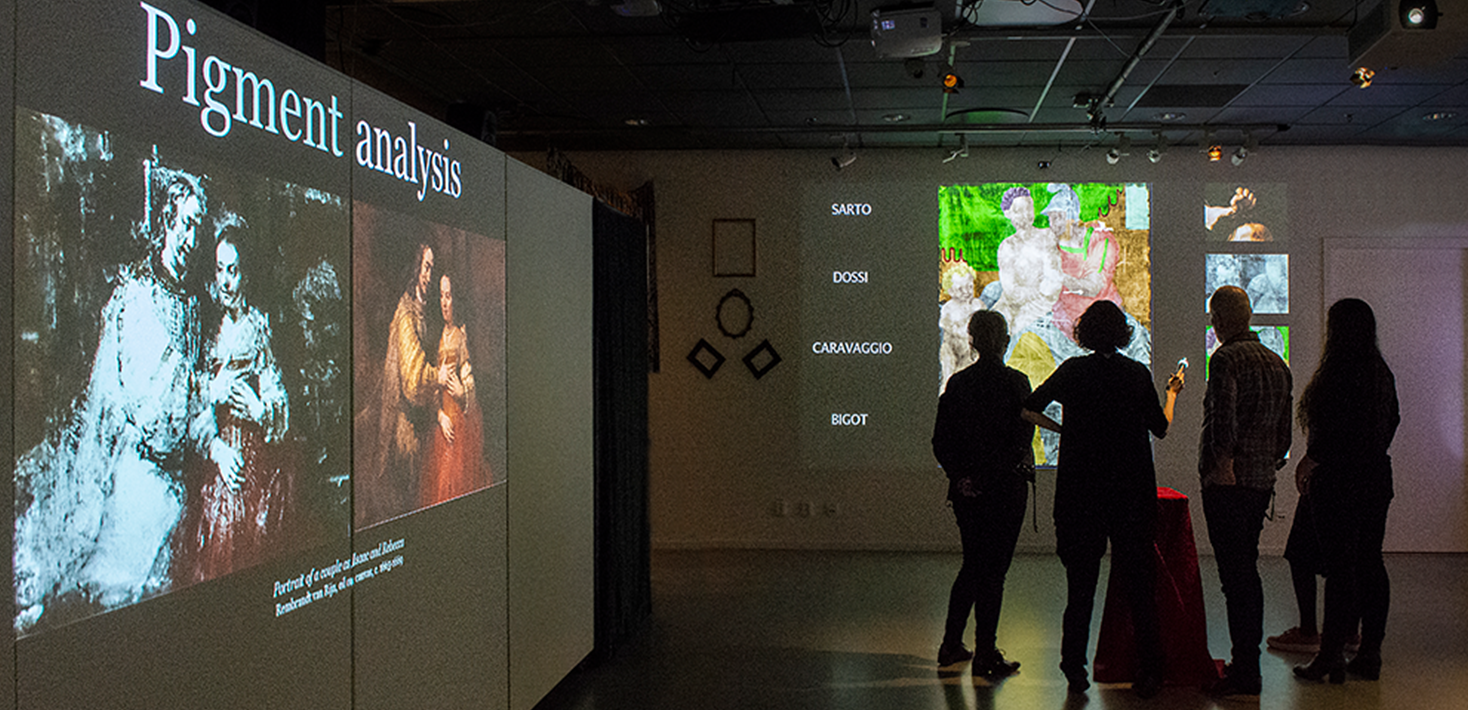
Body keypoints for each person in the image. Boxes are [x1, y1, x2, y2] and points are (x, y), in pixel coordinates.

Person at [1021, 300, 1184, 699]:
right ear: (1124, 333)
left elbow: (1028, 409)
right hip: (1130, 494)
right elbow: (1160, 428)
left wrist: (1064, 430)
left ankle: (1074, 669)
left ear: (1085, 332)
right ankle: (1150, 671)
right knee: (1140, 588)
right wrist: (1172, 393)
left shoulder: (1073, 371)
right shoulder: (1136, 374)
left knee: (1080, 589)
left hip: (1081, 495)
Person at [73, 173, 208, 607]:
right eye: (185, 224)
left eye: (198, 227)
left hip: (177, 475)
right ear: (167, 222)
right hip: (137, 472)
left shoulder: (193, 302)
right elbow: (142, 403)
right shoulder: (135, 295)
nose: (191, 237)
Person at [175, 217, 290, 583]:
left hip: (253, 454)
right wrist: (216, 449)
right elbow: (192, 405)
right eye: (219, 270)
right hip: (217, 457)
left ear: (245, 273)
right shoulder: (204, 327)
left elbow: (276, 391)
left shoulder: (258, 326)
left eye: (233, 271)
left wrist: (261, 408)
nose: (225, 281)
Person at [1291, 298, 1399, 684]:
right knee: (1370, 563)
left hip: (1338, 483)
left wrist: (1312, 460)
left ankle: (1330, 657)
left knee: (1340, 569)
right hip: (1374, 479)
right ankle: (1370, 653)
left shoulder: (1338, 372)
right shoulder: (1379, 372)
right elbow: (1392, 422)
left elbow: (1332, 429)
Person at [1198, 285, 1293, 697]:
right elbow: (1284, 434)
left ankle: (1245, 670)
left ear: (1219, 320)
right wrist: (1268, 463)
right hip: (1259, 483)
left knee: (1234, 577)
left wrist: (1222, 465)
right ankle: (1246, 662)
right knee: (1247, 571)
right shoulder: (1277, 362)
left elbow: (1223, 422)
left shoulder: (1225, 359)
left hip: (1227, 483)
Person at [931, 311, 1035, 677]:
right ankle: (986, 653)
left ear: (972, 340)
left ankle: (951, 644)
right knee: (994, 572)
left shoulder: (958, 385)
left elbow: (941, 441)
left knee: (973, 564)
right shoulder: (1017, 382)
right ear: (1005, 340)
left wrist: (963, 477)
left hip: (968, 491)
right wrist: (992, 475)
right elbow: (1021, 439)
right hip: (1006, 490)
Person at [361, 243, 449, 527]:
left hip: (422, 418)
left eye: (432, 268)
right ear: (415, 267)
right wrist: (438, 376)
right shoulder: (407, 313)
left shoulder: (424, 310)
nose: (429, 274)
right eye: (426, 266)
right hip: (405, 426)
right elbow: (412, 377)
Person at [421, 272, 487, 505]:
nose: (444, 303)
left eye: (448, 296)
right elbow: (433, 389)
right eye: (441, 296)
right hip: (444, 422)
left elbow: (468, 374)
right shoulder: (439, 336)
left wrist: (462, 392)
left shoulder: (462, 333)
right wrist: (439, 416)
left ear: (456, 298)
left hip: (460, 421)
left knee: (456, 482)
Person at [1046, 183, 1123, 343]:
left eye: (1057, 217)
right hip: (1063, 321)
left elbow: (1093, 287)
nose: (1052, 224)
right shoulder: (1052, 243)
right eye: (1050, 218)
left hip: (1101, 325)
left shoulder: (1100, 241)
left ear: (1071, 218)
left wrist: (1058, 277)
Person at [990, 186, 1063, 335]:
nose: (1026, 214)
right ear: (1008, 214)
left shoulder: (1046, 237)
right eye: (1019, 210)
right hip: (1011, 303)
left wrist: (1039, 294)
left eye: (1029, 208)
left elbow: (1053, 278)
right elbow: (1010, 289)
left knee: (1021, 329)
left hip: (1042, 302)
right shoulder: (1007, 246)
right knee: (992, 325)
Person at [938, 261, 983, 394]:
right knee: (949, 375)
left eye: (969, 287)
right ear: (950, 290)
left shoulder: (978, 305)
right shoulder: (948, 309)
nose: (966, 292)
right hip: (953, 350)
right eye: (960, 289)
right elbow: (947, 329)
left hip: (974, 351)